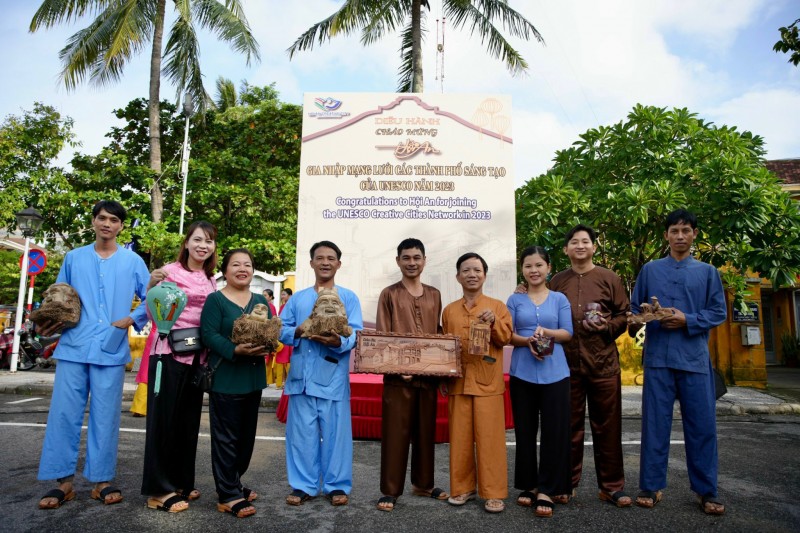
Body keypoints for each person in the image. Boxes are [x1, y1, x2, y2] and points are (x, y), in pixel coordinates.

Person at [37, 200, 150, 510]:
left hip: (111, 348)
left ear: (121, 226)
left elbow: (150, 298)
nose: (107, 224)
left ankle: (102, 481)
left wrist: (130, 319)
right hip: (74, 346)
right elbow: (59, 295)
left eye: (114, 220)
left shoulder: (132, 261)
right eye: (102, 218)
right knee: (64, 414)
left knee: (105, 416)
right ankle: (63, 482)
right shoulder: (74, 258)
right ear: (93, 221)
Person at [629, 209, 727, 515]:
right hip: (658, 358)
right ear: (666, 236)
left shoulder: (708, 272)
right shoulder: (650, 270)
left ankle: (706, 490)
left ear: (695, 234)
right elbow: (634, 311)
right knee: (654, 424)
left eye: (686, 230)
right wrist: (644, 316)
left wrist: (687, 318)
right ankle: (650, 485)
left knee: (702, 427)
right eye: (674, 230)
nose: (680, 236)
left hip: (695, 360)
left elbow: (718, 312)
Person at [548, 225, 632, 507]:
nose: (580, 246)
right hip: (566, 365)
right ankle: (566, 484)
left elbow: (624, 314)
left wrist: (608, 326)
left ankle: (611, 486)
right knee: (568, 427)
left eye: (585, 241)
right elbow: (547, 312)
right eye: (574, 242)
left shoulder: (609, 278)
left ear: (594, 247)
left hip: (603, 364)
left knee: (607, 427)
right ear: (566, 249)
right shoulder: (558, 281)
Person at [140, 221, 218, 513]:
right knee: (163, 423)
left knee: (187, 424)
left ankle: (181, 481)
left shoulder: (211, 279)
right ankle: (158, 491)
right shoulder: (168, 272)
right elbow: (152, 310)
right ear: (186, 243)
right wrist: (150, 285)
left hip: (197, 358)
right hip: (168, 355)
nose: (203, 245)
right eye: (197, 239)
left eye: (209, 241)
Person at [280, 241, 362, 507]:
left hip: (332, 376)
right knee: (301, 435)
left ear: (339, 263)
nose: (325, 262)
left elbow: (356, 332)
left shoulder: (348, 297)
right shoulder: (298, 298)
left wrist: (339, 342)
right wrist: (299, 331)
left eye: (331, 258)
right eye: (320, 258)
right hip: (301, 378)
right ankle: (303, 485)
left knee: (337, 436)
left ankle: (336, 485)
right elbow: (281, 329)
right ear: (311, 263)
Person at [375, 238, 448, 512]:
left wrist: (442, 369)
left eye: (417, 257)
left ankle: (424, 484)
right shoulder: (389, 294)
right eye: (406, 258)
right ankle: (390, 490)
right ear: (398, 261)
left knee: (425, 432)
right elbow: (383, 337)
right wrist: (398, 367)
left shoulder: (435, 294)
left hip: (427, 377)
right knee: (395, 433)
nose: (412, 263)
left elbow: (438, 333)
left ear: (425, 260)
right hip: (397, 378)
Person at [200, 248, 270, 519]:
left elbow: (269, 332)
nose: (243, 269)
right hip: (226, 378)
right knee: (226, 439)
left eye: (248, 265)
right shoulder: (215, 300)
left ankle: (234, 481)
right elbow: (208, 334)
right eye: (236, 265)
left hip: (252, 379)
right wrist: (234, 349)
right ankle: (228, 494)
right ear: (225, 271)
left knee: (245, 440)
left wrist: (269, 346)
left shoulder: (260, 300)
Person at [443, 252, 513, 514]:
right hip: (458, 382)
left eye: (477, 270)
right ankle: (462, 488)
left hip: (488, 382)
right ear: (458, 276)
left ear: (485, 274)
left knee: (491, 439)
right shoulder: (449, 310)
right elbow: (445, 348)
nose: (472, 274)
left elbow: (505, 338)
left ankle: (494, 493)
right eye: (466, 270)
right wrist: (443, 375)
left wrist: (494, 322)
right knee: (459, 438)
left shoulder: (497, 306)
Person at [506, 246, 573, 518]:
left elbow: (568, 333)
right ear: (522, 270)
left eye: (539, 265)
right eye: (528, 266)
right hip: (522, 371)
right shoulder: (514, 300)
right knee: (525, 431)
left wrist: (544, 332)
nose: (534, 270)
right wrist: (527, 341)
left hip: (556, 373)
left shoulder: (559, 299)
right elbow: (507, 334)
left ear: (548, 267)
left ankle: (548, 488)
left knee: (554, 432)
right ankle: (529, 485)